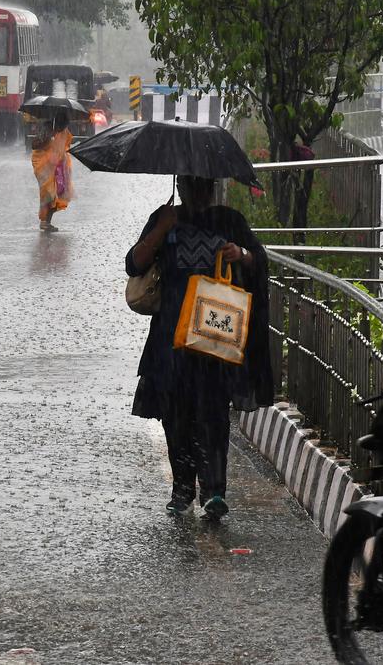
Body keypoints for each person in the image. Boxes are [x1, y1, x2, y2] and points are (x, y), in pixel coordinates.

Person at [125, 175, 274, 519]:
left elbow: (259, 261)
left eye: (204, 186)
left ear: (213, 188)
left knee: (213, 415)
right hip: (170, 340)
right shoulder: (164, 218)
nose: (198, 193)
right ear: (181, 188)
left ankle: (214, 490)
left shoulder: (230, 221)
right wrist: (162, 228)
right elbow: (134, 264)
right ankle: (182, 489)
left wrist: (243, 255)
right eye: (191, 186)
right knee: (175, 416)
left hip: (214, 338)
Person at [30, 110, 74, 232]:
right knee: (47, 193)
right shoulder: (46, 128)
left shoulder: (63, 131)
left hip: (57, 165)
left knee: (57, 195)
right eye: (62, 125)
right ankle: (44, 221)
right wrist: (48, 139)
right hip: (42, 164)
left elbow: (66, 145)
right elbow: (35, 145)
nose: (64, 127)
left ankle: (47, 222)